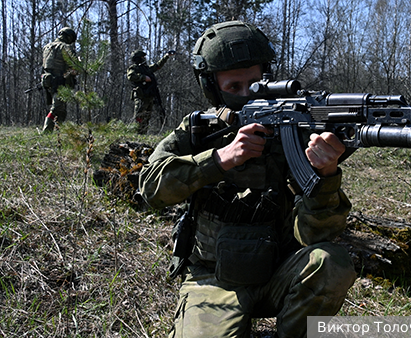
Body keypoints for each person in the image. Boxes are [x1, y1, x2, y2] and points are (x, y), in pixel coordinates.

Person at [138, 21, 356, 338]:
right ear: (211, 87)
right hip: (212, 279)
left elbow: (316, 235)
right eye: (234, 87)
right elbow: (151, 188)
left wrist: (325, 175)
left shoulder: (292, 130)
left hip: (277, 273)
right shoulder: (197, 130)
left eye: (255, 83)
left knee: (331, 261)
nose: (247, 94)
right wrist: (220, 158)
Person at [127, 49, 174, 134]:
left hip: (149, 96)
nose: (144, 58)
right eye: (142, 57)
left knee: (147, 116)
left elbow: (157, 66)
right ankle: (135, 134)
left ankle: (143, 134)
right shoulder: (134, 68)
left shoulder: (146, 68)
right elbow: (130, 76)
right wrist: (143, 77)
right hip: (141, 96)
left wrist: (166, 56)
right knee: (139, 116)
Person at [41, 27, 78, 133]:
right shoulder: (66, 48)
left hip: (47, 80)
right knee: (57, 108)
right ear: (69, 37)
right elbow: (75, 67)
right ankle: (46, 131)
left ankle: (57, 132)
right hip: (60, 81)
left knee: (61, 109)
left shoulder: (47, 47)